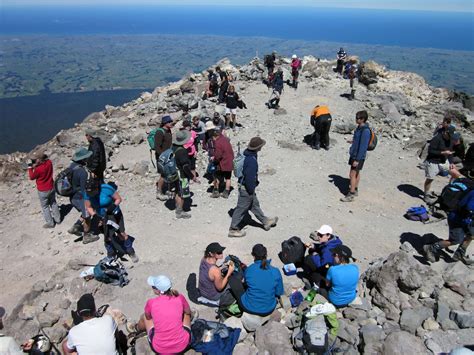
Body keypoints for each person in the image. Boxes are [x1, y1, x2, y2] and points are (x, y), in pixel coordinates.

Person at [127, 275, 192, 354]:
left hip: (159, 348)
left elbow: (148, 317)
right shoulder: (179, 297)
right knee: (186, 314)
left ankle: (136, 328)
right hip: (183, 345)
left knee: (144, 316)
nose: (152, 288)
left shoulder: (151, 302)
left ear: (158, 290)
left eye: (153, 287)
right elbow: (188, 312)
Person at [228, 137, 278, 237]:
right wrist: (251, 189)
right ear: (258, 148)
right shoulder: (251, 161)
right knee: (241, 208)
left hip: (246, 186)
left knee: (254, 205)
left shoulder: (248, 154)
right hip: (246, 188)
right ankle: (233, 229)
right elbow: (250, 177)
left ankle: (265, 221)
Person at [84, 181, 138, 262]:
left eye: (93, 192)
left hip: (114, 214)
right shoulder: (87, 193)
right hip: (101, 217)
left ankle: (130, 251)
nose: (91, 194)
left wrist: (113, 206)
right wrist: (95, 216)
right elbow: (88, 207)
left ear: (97, 188)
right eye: (89, 193)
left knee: (121, 233)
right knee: (107, 236)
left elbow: (118, 199)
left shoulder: (106, 189)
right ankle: (111, 254)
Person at [229, 244, 284, 316]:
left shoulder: (249, 269)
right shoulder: (275, 271)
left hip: (249, 308)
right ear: (266, 255)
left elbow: (246, 284)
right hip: (268, 309)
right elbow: (279, 292)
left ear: (253, 256)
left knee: (233, 280)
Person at [423, 189, 474, 265]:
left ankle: (459, 254)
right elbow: (469, 208)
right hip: (457, 219)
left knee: (471, 234)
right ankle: (431, 248)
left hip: (467, 219)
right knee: (455, 240)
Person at [341, 110, 372, 202]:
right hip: (355, 154)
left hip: (358, 156)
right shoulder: (359, 128)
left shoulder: (365, 131)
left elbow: (363, 146)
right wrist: (353, 141)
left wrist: (357, 159)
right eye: (356, 118)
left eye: (358, 118)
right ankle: (355, 189)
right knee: (356, 173)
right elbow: (359, 141)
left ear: (363, 119)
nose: (357, 119)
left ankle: (351, 194)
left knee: (352, 174)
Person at [27, 150, 61, 228]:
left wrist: (30, 167)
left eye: (34, 160)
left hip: (43, 190)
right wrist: (36, 165)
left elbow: (32, 177)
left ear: (38, 160)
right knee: (53, 203)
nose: (33, 161)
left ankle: (50, 223)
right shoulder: (49, 162)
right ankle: (58, 219)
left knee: (45, 206)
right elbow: (44, 166)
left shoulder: (38, 169)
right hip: (51, 187)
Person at [423, 126, 455, 203]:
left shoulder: (450, 140)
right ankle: (426, 195)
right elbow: (430, 151)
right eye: (449, 135)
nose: (449, 137)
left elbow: (450, 153)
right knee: (430, 178)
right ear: (445, 132)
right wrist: (443, 153)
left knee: (455, 173)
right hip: (433, 160)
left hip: (443, 161)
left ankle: (449, 192)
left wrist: (451, 162)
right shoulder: (437, 138)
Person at [170, 130, 197, 219]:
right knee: (182, 194)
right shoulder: (182, 151)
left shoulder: (173, 147)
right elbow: (185, 167)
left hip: (174, 174)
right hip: (182, 175)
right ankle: (180, 211)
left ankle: (177, 207)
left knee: (177, 191)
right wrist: (192, 176)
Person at [67, 147, 93, 237]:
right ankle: (87, 236)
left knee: (85, 212)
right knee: (88, 215)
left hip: (72, 196)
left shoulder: (71, 166)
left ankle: (77, 226)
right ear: (83, 158)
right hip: (80, 198)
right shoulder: (82, 172)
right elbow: (84, 190)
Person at [211, 128, 234, 198]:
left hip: (222, 162)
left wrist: (214, 160)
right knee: (228, 177)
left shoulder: (218, 143)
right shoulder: (226, 140)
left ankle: (216, 191)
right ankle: (226, 192)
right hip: (229, 161)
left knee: (216, 176)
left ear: (214, 136)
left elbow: (218, 155)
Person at [155, 115, 174, 201]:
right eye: (169, 122)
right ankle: (159, 192)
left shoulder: (169, 130)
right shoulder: (160, 132)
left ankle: (167, 190)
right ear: (165, 123)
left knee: (169, 173)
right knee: (163, 175)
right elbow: (157, 147)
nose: (171, 123)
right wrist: (163, 157)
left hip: (169, 155)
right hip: (162, 157)